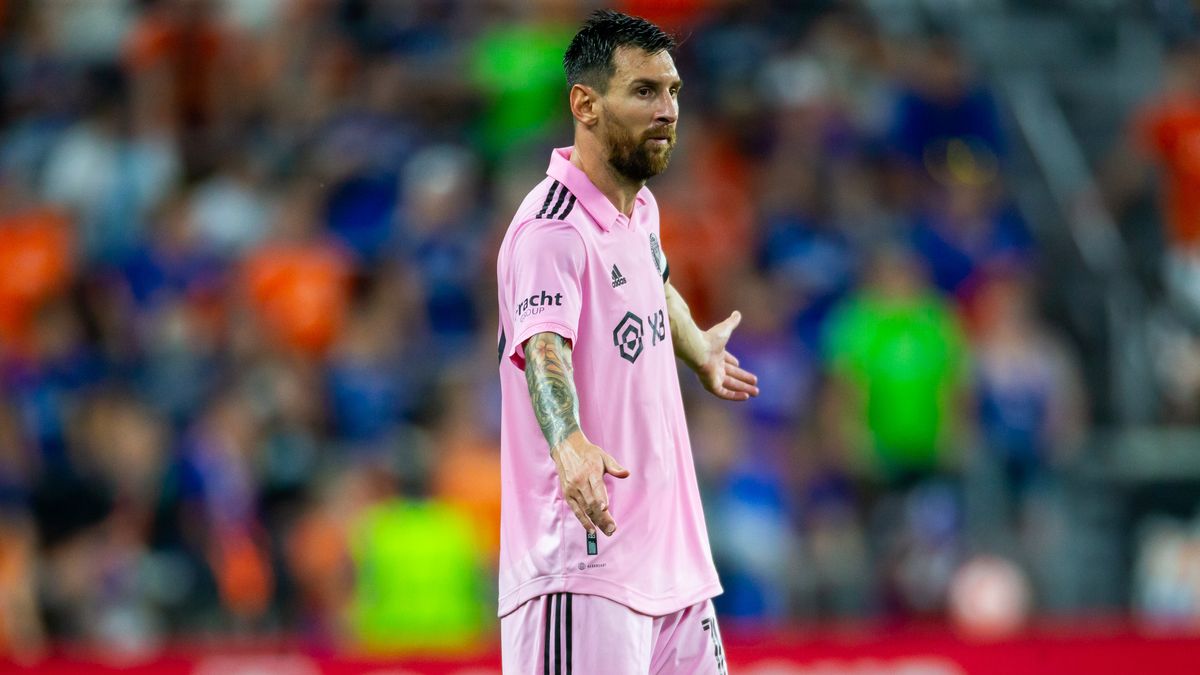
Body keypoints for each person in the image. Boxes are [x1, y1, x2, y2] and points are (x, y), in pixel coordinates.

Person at [494, 10, 759, 674]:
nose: (667, 109)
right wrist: (570, 441)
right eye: (644, 91)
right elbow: (543, 346)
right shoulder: (550, 230)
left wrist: (695, 345)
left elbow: (652, 279)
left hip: (672, 570)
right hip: (584, 567)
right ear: (585, 104)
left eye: (672, 92)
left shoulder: (638, 211)